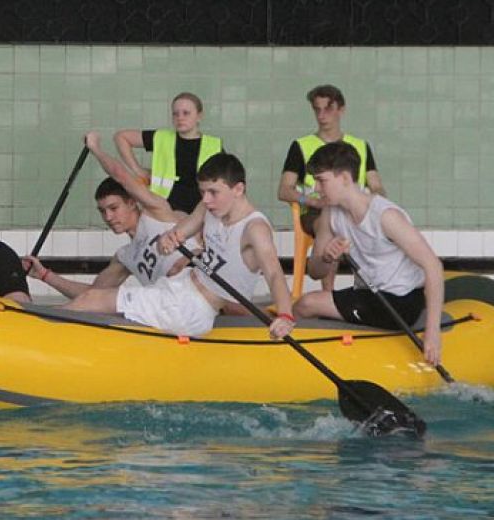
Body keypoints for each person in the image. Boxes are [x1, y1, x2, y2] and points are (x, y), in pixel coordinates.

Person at [25, 132, 220, 336]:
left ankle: (34, 329)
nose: (108, 217)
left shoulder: (157, 211)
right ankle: (35, 330)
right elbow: (92, 294)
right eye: (102, 211)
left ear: (132, 202)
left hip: (199, 291)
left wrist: (96, 149)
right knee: (91, 301)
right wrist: (46, 276)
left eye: (114, 208)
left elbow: (121, 175)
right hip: (170, 304)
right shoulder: (125, 256)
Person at [293, 141, 445, 366]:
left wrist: (433, 332)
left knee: (306, 304)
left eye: (321, 180)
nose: (316, 188)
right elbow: (315, 272)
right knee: (306, 305)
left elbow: (433, 266)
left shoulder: (386, 216)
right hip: (368, 295)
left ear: (345, 178)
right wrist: (327, 257)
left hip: (400, 301)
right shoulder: (330, 214)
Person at [156, 152, 297, 341]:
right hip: (183, 288)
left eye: (213, 192)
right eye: (203, 192)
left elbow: (274, 274)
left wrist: (285, 316)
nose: (206, 199)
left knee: (116, 302)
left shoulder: (255, 228)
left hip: (203, 307)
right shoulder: (208, 207)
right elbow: (174, 236)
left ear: (238, 189)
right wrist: (165, 242)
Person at [276, 84, 385, 291]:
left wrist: (373, 202)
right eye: (317, 109)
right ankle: (329, 293)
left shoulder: (360, 146)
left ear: (341, 110)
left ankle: (376, 288)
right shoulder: (301, 145)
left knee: (379, 224)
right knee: (333, 226)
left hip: (353, 208)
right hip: (316, 212)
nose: (321, 115)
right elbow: (284, 190)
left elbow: (377, 186)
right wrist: (312, 201)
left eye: (328, 109)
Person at [114, 92, 223, 215]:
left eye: (186, 113)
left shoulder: (214, 145)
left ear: (199, 116)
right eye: (175, 114)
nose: (180, 118)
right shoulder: (161, 138)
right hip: (163, 212)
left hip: (201, 214)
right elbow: (121, 137)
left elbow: (226, 184)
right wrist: (138, 170)